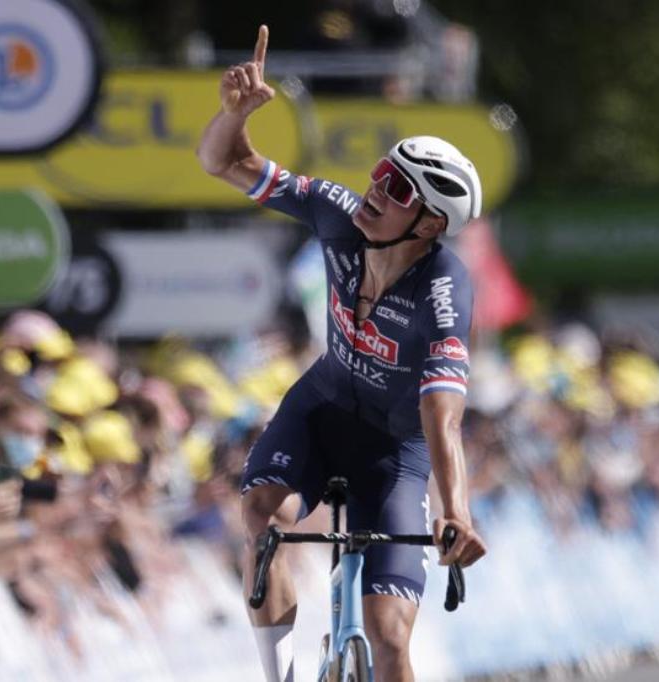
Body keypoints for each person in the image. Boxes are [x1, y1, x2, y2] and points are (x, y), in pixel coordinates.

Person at [197, 25, 488, 682]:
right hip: (322, 408)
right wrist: (235, 115)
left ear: (431, 225)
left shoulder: (444, 288)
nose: (378, 189)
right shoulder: (336, 211)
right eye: (384, 172)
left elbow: (442, 414)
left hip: (396, 452)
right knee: (262, 519)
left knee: (389, 644)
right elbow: (223, 162)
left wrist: (456, 512)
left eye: (401, 190)